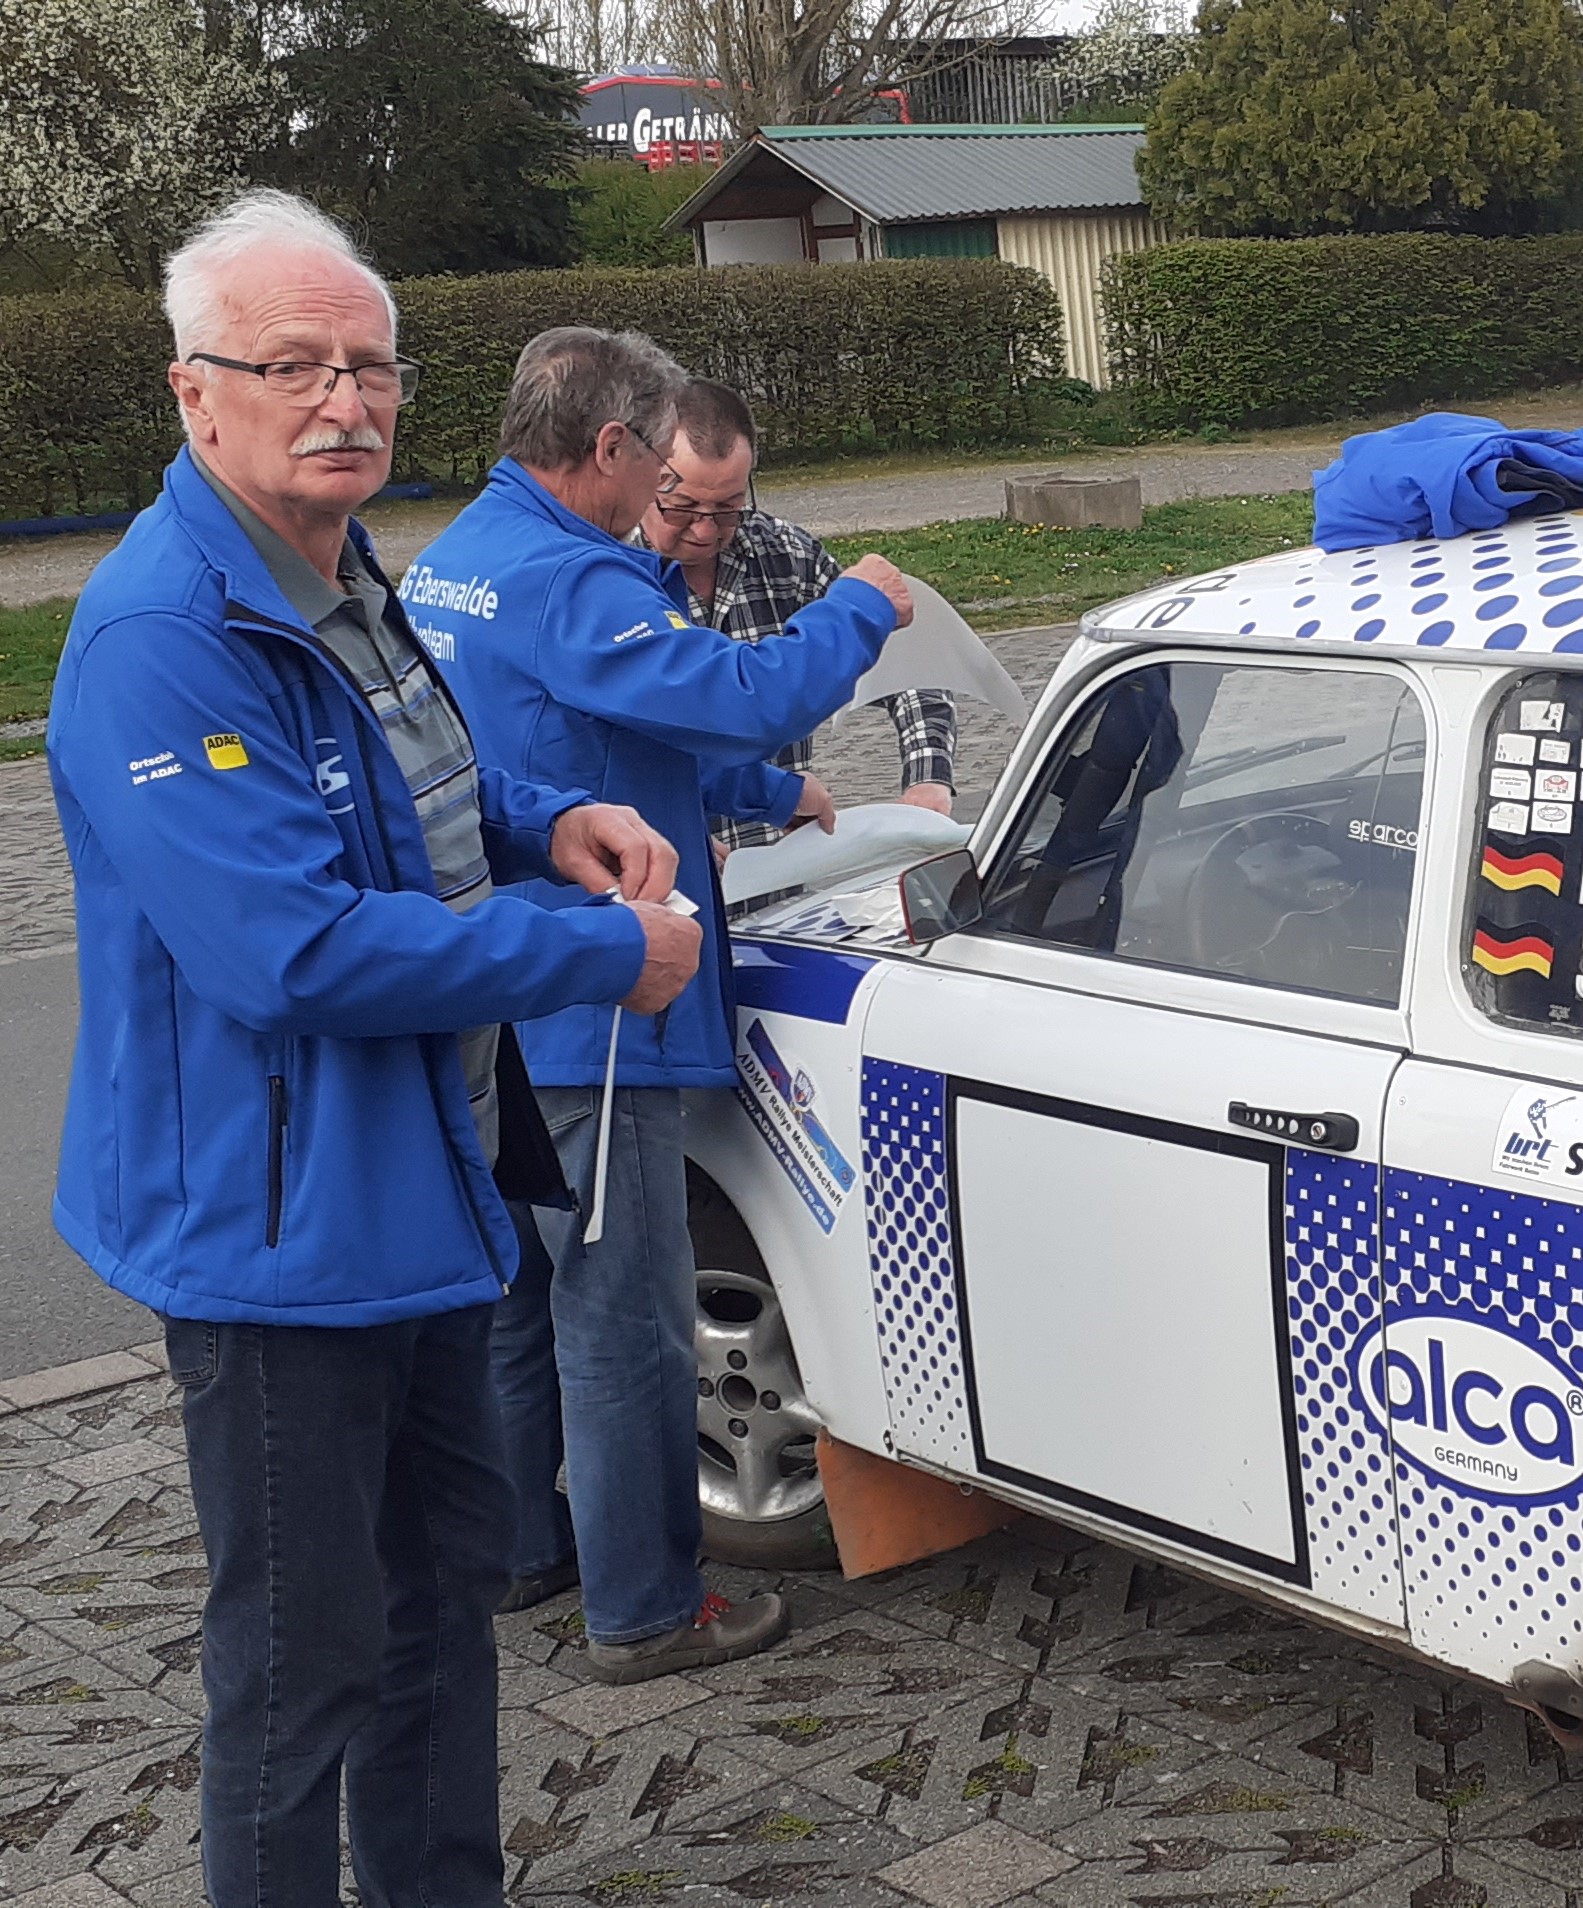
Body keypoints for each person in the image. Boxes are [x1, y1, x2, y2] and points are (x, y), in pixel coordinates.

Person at [46, 190, 701, 1908]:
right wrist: (602, 952)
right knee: (302, 1663)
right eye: (294, 366)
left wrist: (547, 819)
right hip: (280, 1238)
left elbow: (405, 778)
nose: (344, 401)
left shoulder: (335, 565)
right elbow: (294, 948)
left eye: (371, 366)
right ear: (196, 392)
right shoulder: (164, 634)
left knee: (441, 1610)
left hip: (427, 1188)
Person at [414, 328, 912, 1683]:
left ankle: (521, 1553)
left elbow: (588, 733)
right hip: (597, 1001)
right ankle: (644, 1607)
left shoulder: (459, 555)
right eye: (656, 471)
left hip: (490, 981)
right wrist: (859, 606)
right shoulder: (572, 576)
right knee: (626, 1317)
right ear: (613, 445)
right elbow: (740, 691)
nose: (665, 507)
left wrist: (765, 792)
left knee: (516, 1292)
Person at [642, 378, 958, 852]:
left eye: (728, 508)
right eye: (682, 509)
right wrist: (677, 834)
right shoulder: (605, 580)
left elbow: (904, 663)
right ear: (643, 477)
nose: (705, 531)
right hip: (659, 878)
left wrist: (928, 777)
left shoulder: (785, 554)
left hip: (785, 869)